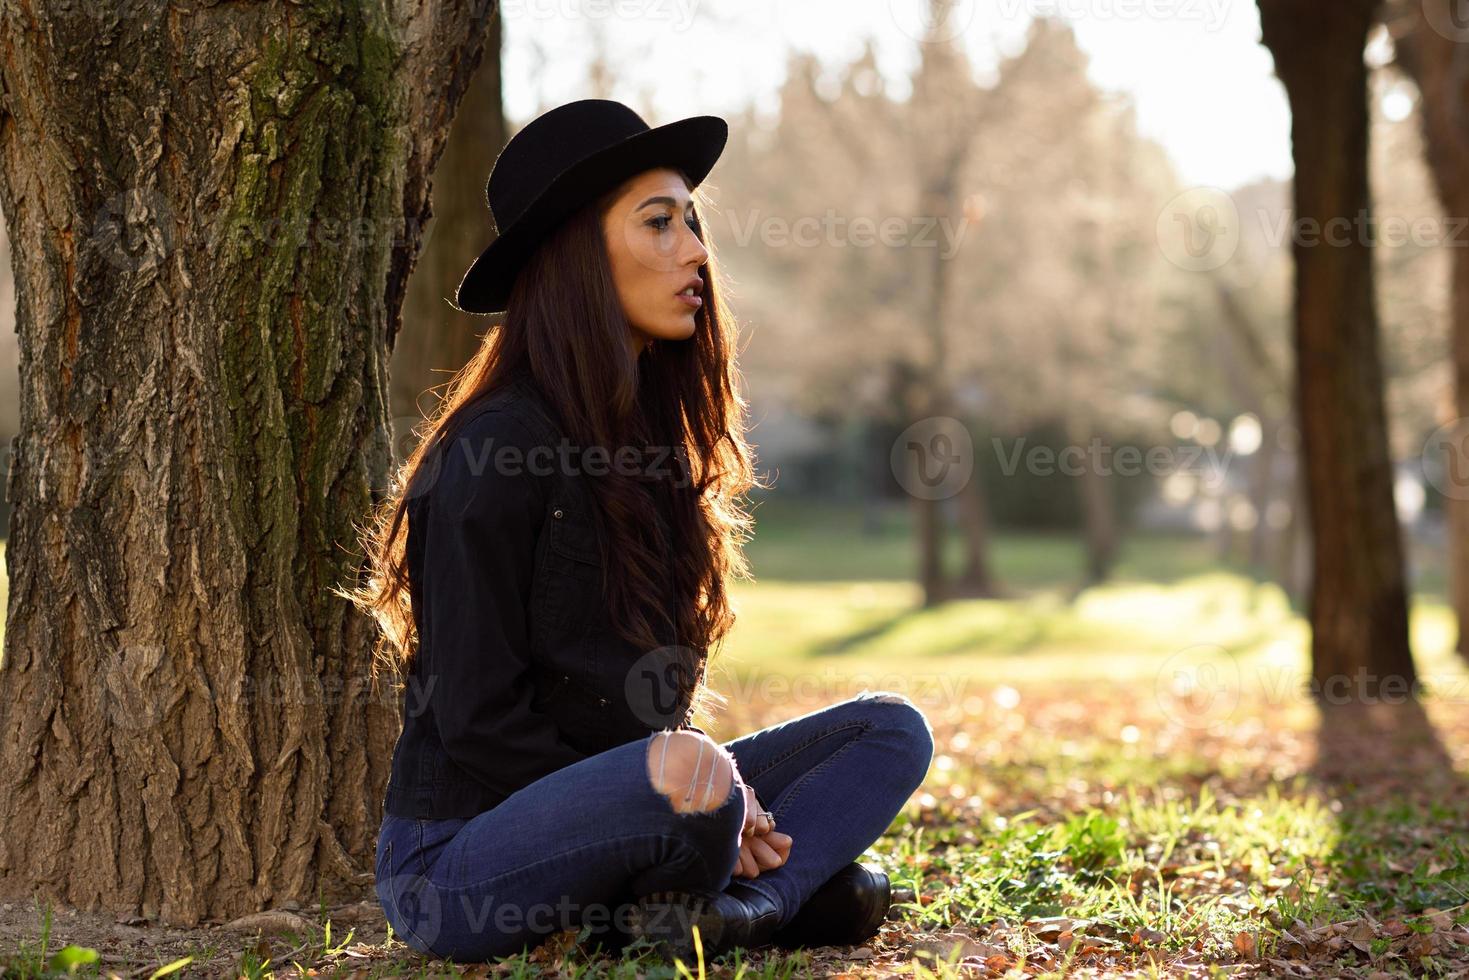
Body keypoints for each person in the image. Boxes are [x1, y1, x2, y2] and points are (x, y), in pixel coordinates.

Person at [341, 98, 935, 965]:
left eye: (691, 223)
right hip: (462, 864)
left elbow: (654, 718)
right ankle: (768, 897)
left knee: (888, 728)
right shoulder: (494, 448)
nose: (695, 251)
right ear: (578, 254)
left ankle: (734, 910)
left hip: (644, 805)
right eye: (658, 223)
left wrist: (701, 788)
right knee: (703, 784)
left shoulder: (653, 451)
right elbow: (474, 719)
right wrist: (685, 786)